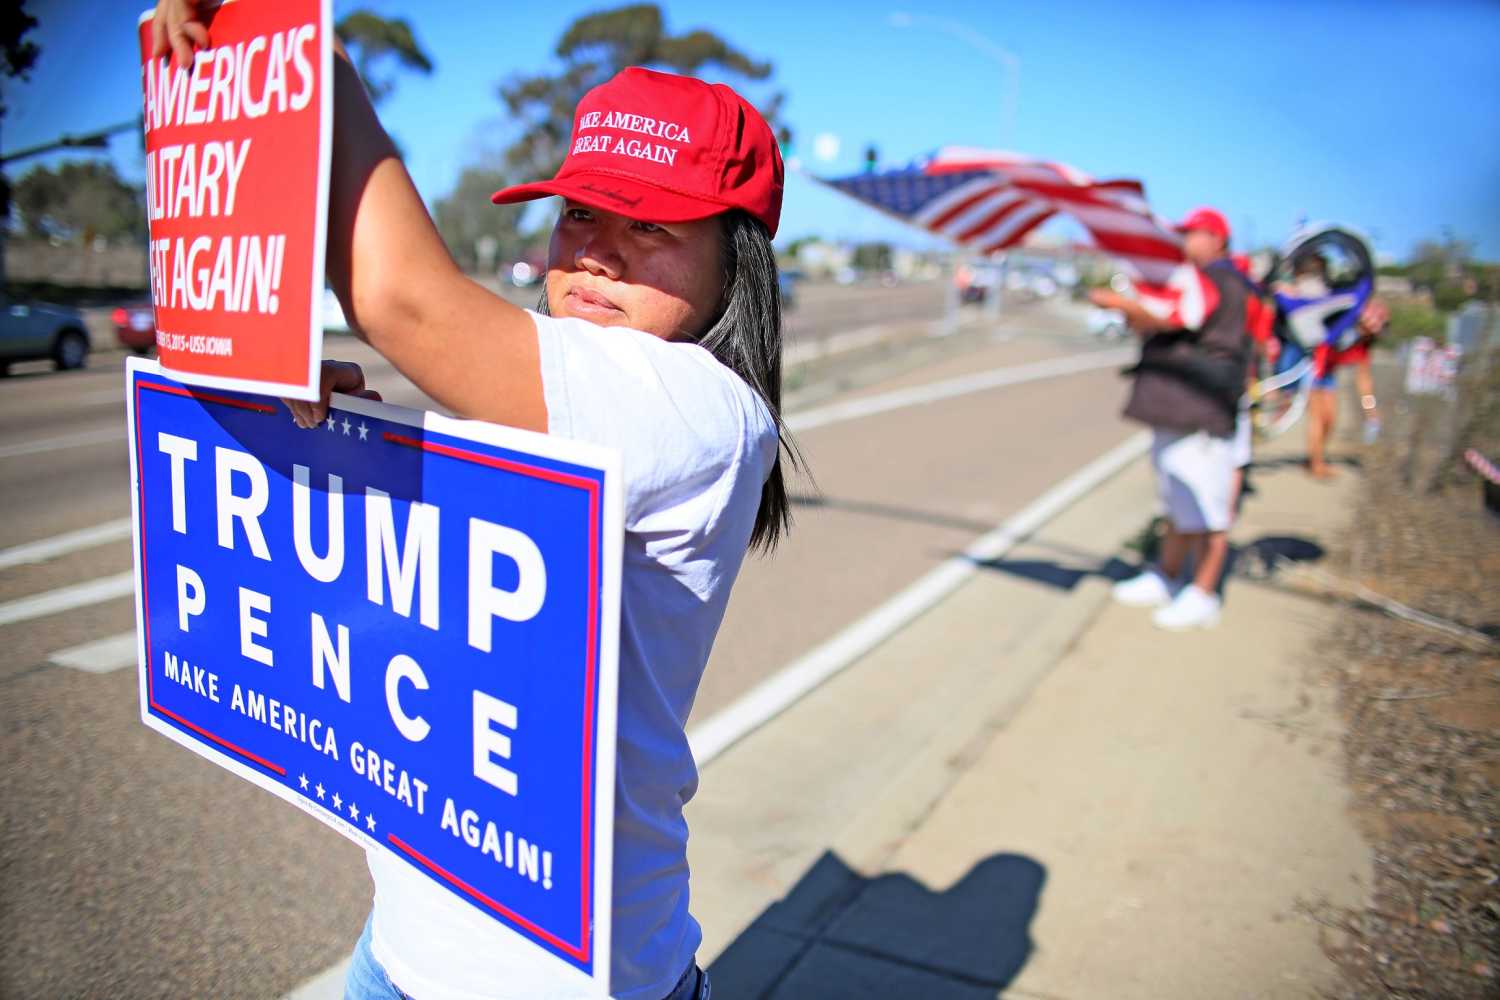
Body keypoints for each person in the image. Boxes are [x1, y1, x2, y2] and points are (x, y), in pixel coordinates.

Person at [153, 5, 797, 999]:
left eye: (653, 227)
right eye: (581, 212)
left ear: (737, 263)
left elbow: (403, 298)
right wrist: (330, 450)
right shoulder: (564, 404)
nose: (597, 253)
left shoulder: (702, 408)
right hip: (399, 949)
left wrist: (289, 42)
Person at [1089, 208, 1249, 630]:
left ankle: (1203, 591)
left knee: (1207, 508)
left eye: (1192, 233)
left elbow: (1174, 317)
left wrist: (1122, 303)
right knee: (1176, 504)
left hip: (1202, 410)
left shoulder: (1218, 281)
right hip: (1178, 409)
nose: (1185, 241)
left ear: (1217, 237)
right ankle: (1168, 574)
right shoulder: (1198, 279)